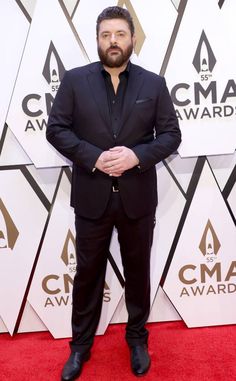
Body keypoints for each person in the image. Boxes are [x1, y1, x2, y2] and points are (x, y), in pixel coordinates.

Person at [46, 6, 181, 381]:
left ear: (132, 39)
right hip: (92, 198)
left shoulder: (153, 84)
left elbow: (172, 135)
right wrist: (95, 157)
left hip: (138, 198)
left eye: (120, 34)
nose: (113, 42)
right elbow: (56, 130)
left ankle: (137, 339)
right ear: (97, 40)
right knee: (88, 273)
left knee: (138, 273)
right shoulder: (74, 81)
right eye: (106, 35)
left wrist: (136, 155)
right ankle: (79, 347)